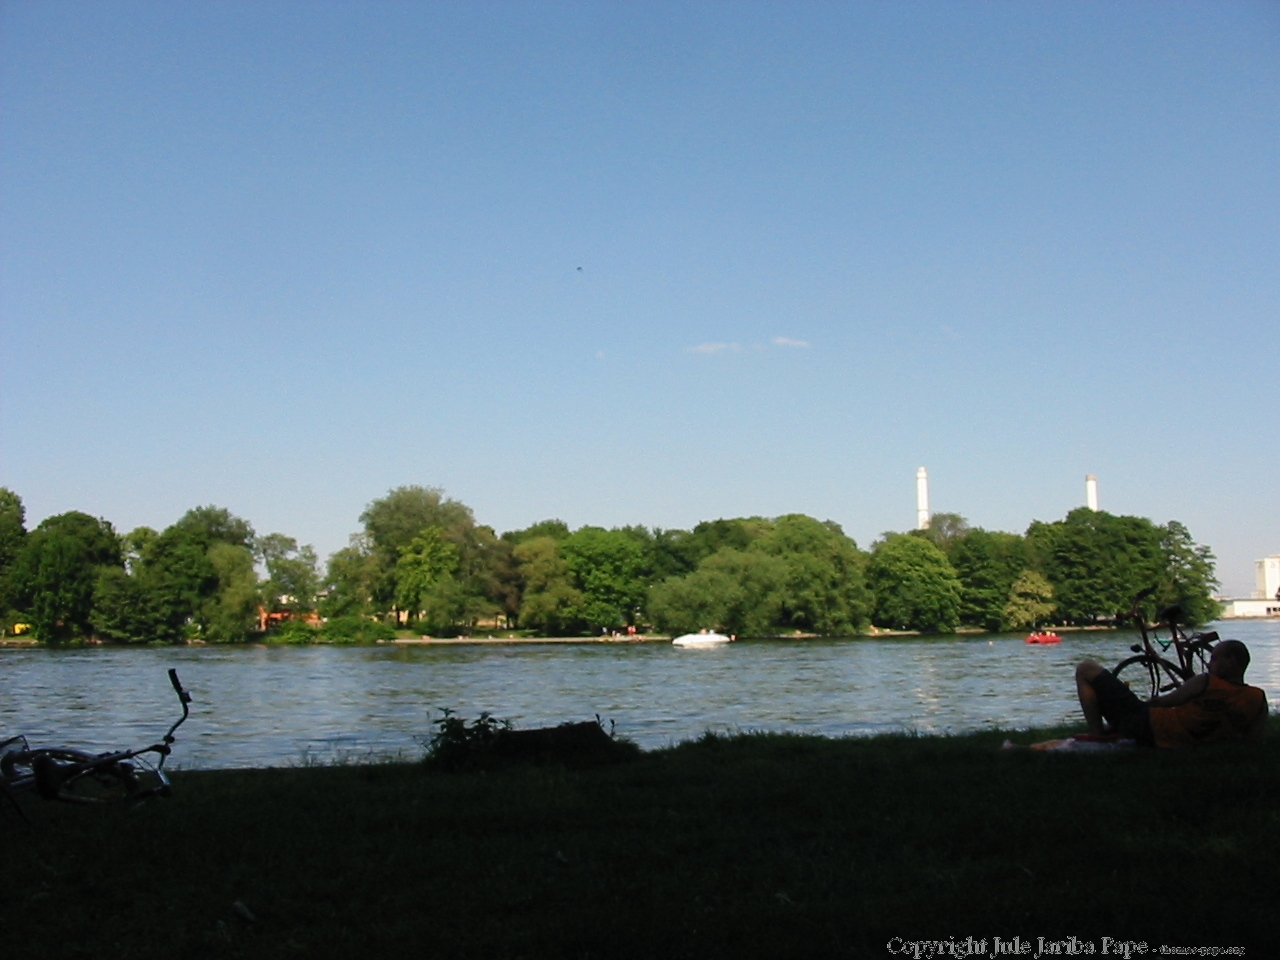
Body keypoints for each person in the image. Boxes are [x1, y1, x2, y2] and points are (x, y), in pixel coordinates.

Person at [1074, 640, 1268, 748]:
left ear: (1232, 661)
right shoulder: (1258, 698)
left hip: (1148, 725)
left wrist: (1137, 706)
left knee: (1086, 668)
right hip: (1174, 739)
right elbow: (1252, 739)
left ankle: (1097, 736)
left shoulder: (1207, 681)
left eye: (1214, 659)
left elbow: (1164, 702)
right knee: (1123, 717)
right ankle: (1112, 728)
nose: (1209, 664)